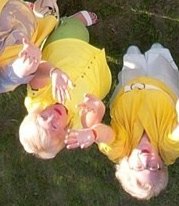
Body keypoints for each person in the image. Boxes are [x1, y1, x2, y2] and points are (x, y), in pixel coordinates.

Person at [101, 43, 179, 199]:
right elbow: (177, 135)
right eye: (154, 167)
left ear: (127, 165)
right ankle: (157, 51)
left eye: (139, 167)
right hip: (164, 87)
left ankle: (133, 56)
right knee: (161, 63)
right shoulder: (167, 149)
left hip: (128, 89)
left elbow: (106, 138)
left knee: (130, 68)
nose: (146, 161)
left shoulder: (120, 149)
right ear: (162, 164)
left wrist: (93, 133)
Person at [18, 18, 116, 160]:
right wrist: (97, 106)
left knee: (78, 28)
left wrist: (53, 72)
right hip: (98, 74)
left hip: (66, 47)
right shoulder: (76, 127)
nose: (52, 116)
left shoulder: (37, 100)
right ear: (63, 134)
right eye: (54, 126)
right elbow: (96, 118)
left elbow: (38, 73)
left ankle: (76, 19)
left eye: (43, 117)